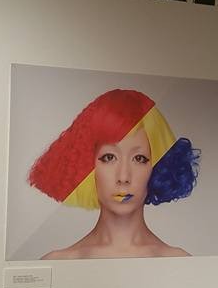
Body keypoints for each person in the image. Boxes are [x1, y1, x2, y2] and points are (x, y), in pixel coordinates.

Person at [27, 89, 199, 259]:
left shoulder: (180, 261)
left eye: (139, 159)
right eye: (109, 157)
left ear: (158, 167)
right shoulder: (57, 262)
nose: (123, 177)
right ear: (86, 165)